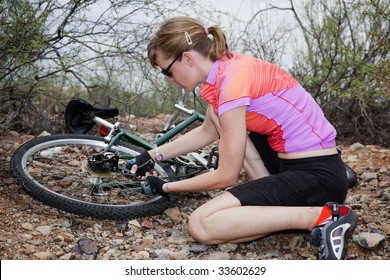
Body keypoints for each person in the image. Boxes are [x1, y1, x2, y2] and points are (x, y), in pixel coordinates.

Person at [129, 16, 357, 260]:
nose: (169, 79)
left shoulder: (232, 85)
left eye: (167, 71)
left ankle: (322, 217)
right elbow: (208, 131)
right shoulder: (228, 69)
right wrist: (153, 155)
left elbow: (226, 175)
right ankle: (278, 206)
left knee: (201, 223)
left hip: (314, 177)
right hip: (297, 164)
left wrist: (166, 186)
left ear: (187, 58)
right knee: (217, 114)